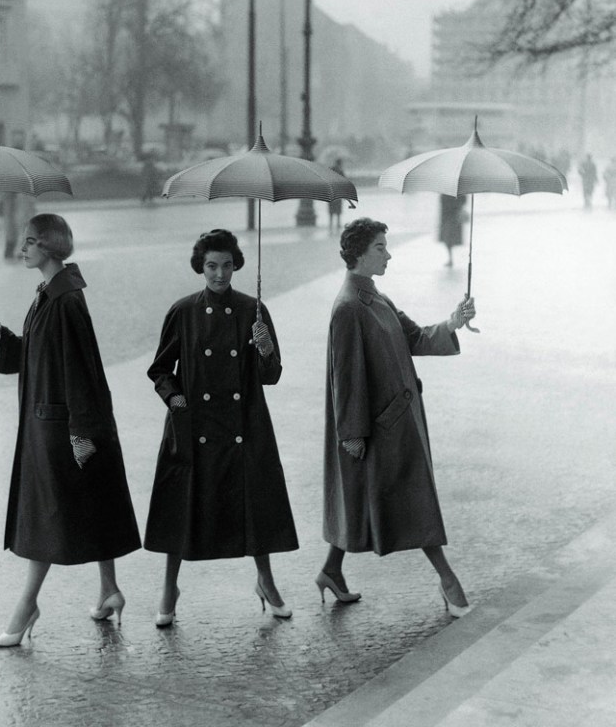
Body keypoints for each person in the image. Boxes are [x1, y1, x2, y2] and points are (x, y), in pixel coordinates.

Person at [0, 213, 141, 646]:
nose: (23, 249)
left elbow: (82, 368)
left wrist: (81, 431)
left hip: (59, 427)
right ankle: (109, 590)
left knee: (45, 519)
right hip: (54, 422)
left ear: (49, 248)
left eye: (30, 243)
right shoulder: (51, 293)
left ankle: (27, 605)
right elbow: (36, 355)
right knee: (91, 502)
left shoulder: (65, 300)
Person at [319, 217, 475, 617]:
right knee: (413, 502)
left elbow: (416, 338)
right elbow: (346, 377)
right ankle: (447, 579)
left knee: (366, 502)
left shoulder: (376, 298)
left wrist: (454, 321)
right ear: (358, 254)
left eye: (386, 246)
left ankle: (331, 571)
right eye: (380, 248)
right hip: (379, 429)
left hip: (397, 422)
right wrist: (352, 434)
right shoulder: (349, 307)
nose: (388, 254)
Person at [144, 228, 298, 626]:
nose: (219, 274)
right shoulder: (183, 311)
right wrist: (175, 397)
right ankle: (168, 588)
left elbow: (272, 374)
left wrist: (264, 348)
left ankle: (266, 580)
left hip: (244, 423)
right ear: (201, 266)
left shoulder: (253, 310)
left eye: (227, 266)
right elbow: (161, 369)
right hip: (194, 423)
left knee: (255, 507)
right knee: (182, 508)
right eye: (212, 266)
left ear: (236, 266)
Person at [438, 193, 466, 267]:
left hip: (452, 217)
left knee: (449, 238)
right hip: (448, 217)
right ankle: (451, 258)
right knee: (448, 238)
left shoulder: (446, 191)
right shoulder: (445, 192)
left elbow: (463, 200)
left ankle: (451, 258)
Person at [328, 158, 346, 233]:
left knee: (331, 209)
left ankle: (331, 223)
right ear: (340, 164)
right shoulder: (340, 171)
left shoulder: (330, 170)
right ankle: (338, 223)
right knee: (338, 209)